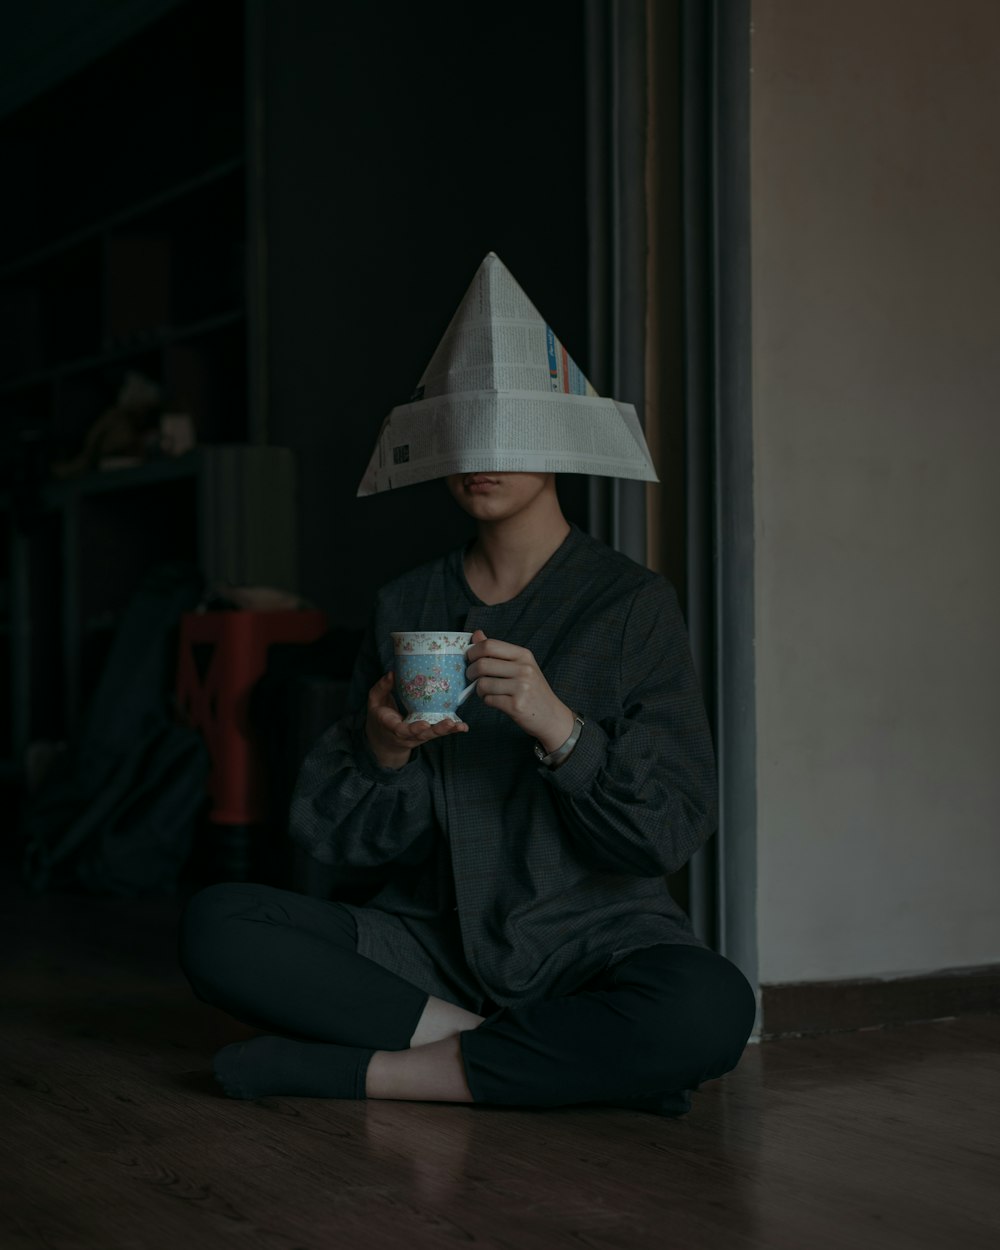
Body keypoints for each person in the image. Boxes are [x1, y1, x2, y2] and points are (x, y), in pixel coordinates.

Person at [179, 469, 755, 1113]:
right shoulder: (406, 602)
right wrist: (384, 751)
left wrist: (561, 730)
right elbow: (332, 840)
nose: (484, 456)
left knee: (714, 1007)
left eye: (508, 433)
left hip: (593, 942)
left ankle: (374, 1075)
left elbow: (667, 833)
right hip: (433, 945)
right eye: (465, 433)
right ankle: (562, 1062)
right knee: (218, 924)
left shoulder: (631, 602)